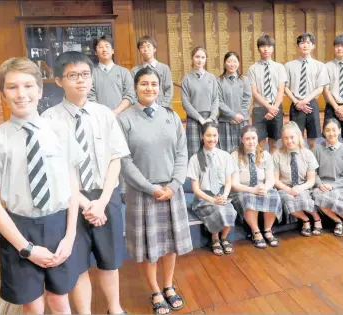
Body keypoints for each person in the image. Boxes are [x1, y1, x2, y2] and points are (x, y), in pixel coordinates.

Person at [0, 57, 83, 313]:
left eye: (28, 85)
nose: (22, 94)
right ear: (2, 93)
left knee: (60, 299)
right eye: (12, 87)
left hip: (59, 225)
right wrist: (27, 249)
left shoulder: (60, 131)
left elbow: (72, 185)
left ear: (40, 90)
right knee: (32, 304)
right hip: (18, 228)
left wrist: (70, 235)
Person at [41, 52, 130, 315]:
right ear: (59, 81)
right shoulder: (49, 120)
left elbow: (116, 158)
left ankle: (115, 309)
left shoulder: (104, 114)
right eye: (72, 75)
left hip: (106, 197)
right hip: (70, 200)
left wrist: (101, 202)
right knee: (79, 264)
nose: (81, 80)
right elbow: (54, 171)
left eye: (85, 74)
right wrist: (84, 203)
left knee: (110, 261)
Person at [118, 67, 192, 315]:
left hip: (171, 190)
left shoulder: (171, 115)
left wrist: (174, 185)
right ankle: (155, 290)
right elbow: (124, 161)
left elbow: (182, 152)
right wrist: (150, 188)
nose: (149, 88)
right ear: (135, 88)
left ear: (159, 87)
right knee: (150, 247)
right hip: (142, 193)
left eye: (153, 84)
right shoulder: (125, 119)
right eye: (144, 84)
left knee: (170, 245)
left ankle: (169, 285)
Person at [187, 122, 237, 256]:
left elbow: (228, 182)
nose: (212, 139)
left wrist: (225, 196)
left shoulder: (225, 155)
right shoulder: (195, 159)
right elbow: (196, 190)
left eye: (214, 135)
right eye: (208, 135)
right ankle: (215, 238)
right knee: (217, 210)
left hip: (221, 195)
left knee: (229, 210)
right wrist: (212, 200)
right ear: (202, 136)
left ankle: (224, 237)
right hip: (204, 198)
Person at [230, 125, 282, 249]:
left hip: (260, 187)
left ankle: (268, 230)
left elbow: (270, 178)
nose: (251, 141)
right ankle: (256, 232)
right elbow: (235, 184)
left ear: (257, 138)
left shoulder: (265, 155)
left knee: (274, 195)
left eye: (253, 138)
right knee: (248, 198)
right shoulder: (234, 156)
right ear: (242, 140)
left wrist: (265, 187)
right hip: (243, 189)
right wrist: (252, 190)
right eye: (247, 139)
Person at [273, 122, 322, 237]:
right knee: (288, 201)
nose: (289, 141)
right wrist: (288, 189)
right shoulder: (277, 154)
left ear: (299, 137)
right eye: (286, 138)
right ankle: (305, 220)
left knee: (304, 199)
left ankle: (316, 217)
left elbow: (311, 180)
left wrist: (300, 188)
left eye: (292, 137)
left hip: (302, 186)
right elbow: (275, 180)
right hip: (284, 188)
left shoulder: (308, 154)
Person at [312, 118, 343, 237]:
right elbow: (313, 172)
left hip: (338, 185)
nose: (331, 133)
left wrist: (332, 186)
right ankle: (342, 220)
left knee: (334, 196)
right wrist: (319, 184)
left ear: (339, 131)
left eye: (334, 130)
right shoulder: (317, 150)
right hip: (321, 185)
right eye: (327, 130)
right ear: (323, 132)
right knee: (317, 196)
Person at [285, 33, 330, 149]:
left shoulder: (320, 66)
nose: (305, 45)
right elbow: (285, 87)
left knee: (312, 140)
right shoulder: (289, 66)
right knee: (295, 138)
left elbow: (320, 88)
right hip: (296, 104)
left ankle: (312, 164)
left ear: (313, 46)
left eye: (308, 43)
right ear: (298, 46)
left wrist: (304, 101)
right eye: (302, 43)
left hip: (311, 104)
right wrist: (297, 102)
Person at [247, 35, 287, 153]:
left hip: (276, 108)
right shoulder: (252, 69)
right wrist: (268, 107)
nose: (265, 49)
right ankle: (260, 168)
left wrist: (274, 107)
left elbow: (281, 90)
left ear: (273, 48)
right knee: (259, 142)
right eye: (262, 46)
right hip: (259, 109)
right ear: (258, 48)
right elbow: (254, 92)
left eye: (268, 46)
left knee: (274, 142)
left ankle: (272, 169)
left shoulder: (279, 67)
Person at [181, 46, 219, 158]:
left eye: (203, 57)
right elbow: (185, 102)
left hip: (210, 118)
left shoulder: (211, 77)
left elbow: (215, 99)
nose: (200, 60)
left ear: (206, 59)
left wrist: (212, 117)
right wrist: (199, 118)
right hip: (194, 119)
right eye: (197, 56)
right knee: (194, 153)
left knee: (212, 151)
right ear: (192, 58)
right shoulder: (187, 78)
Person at [87, 35, 136, 116]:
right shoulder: (90, 73)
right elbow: (89, 96)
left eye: (107, 46)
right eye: (100, 47)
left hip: (121, 117)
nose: (104, 49)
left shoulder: (124, 72)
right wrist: (102, 113)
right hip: (99, 117)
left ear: (113, 50)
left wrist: (115, 112)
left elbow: (130, 95)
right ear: (95, 52)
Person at [217, 52, 251, 153]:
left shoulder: (244, 80)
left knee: (243, 150)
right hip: (225, 122)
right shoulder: (218, 81)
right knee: (226, 152)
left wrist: (239, 115)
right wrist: (233, 115)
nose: (232, 64)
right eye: (229, 61)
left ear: (239, 63)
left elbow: (247, 98)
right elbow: (219, 101)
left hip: (242, 120)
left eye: (235, 61)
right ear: (224, 64)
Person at [131, 35, 173, 108]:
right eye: (142, 47)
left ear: (154, 49)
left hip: (163, 108)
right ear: (139, 50)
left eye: (148, 46)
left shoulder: (164, 68)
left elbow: (169, 90)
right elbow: (132, 92)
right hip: (142, 110)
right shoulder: (134, 70)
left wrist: (161, 107)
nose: (145, 49)